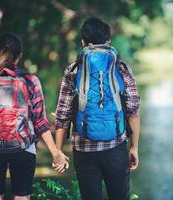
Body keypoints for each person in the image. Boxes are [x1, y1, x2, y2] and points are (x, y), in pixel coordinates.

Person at [0, 32, 69, 200]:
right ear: (19, 56)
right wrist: (55, 152)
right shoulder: (30, 80)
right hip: (24, 146)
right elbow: (40, 122)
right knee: (22, 197)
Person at [53, 17, 141, 200]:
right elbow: (133, 110)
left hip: (84, 149)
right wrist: (134, 148)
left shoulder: (73, 70)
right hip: (115, 146)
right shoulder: (121, 67)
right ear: (108, 41)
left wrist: (58, 151)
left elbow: (62, 114)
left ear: (83, 42)